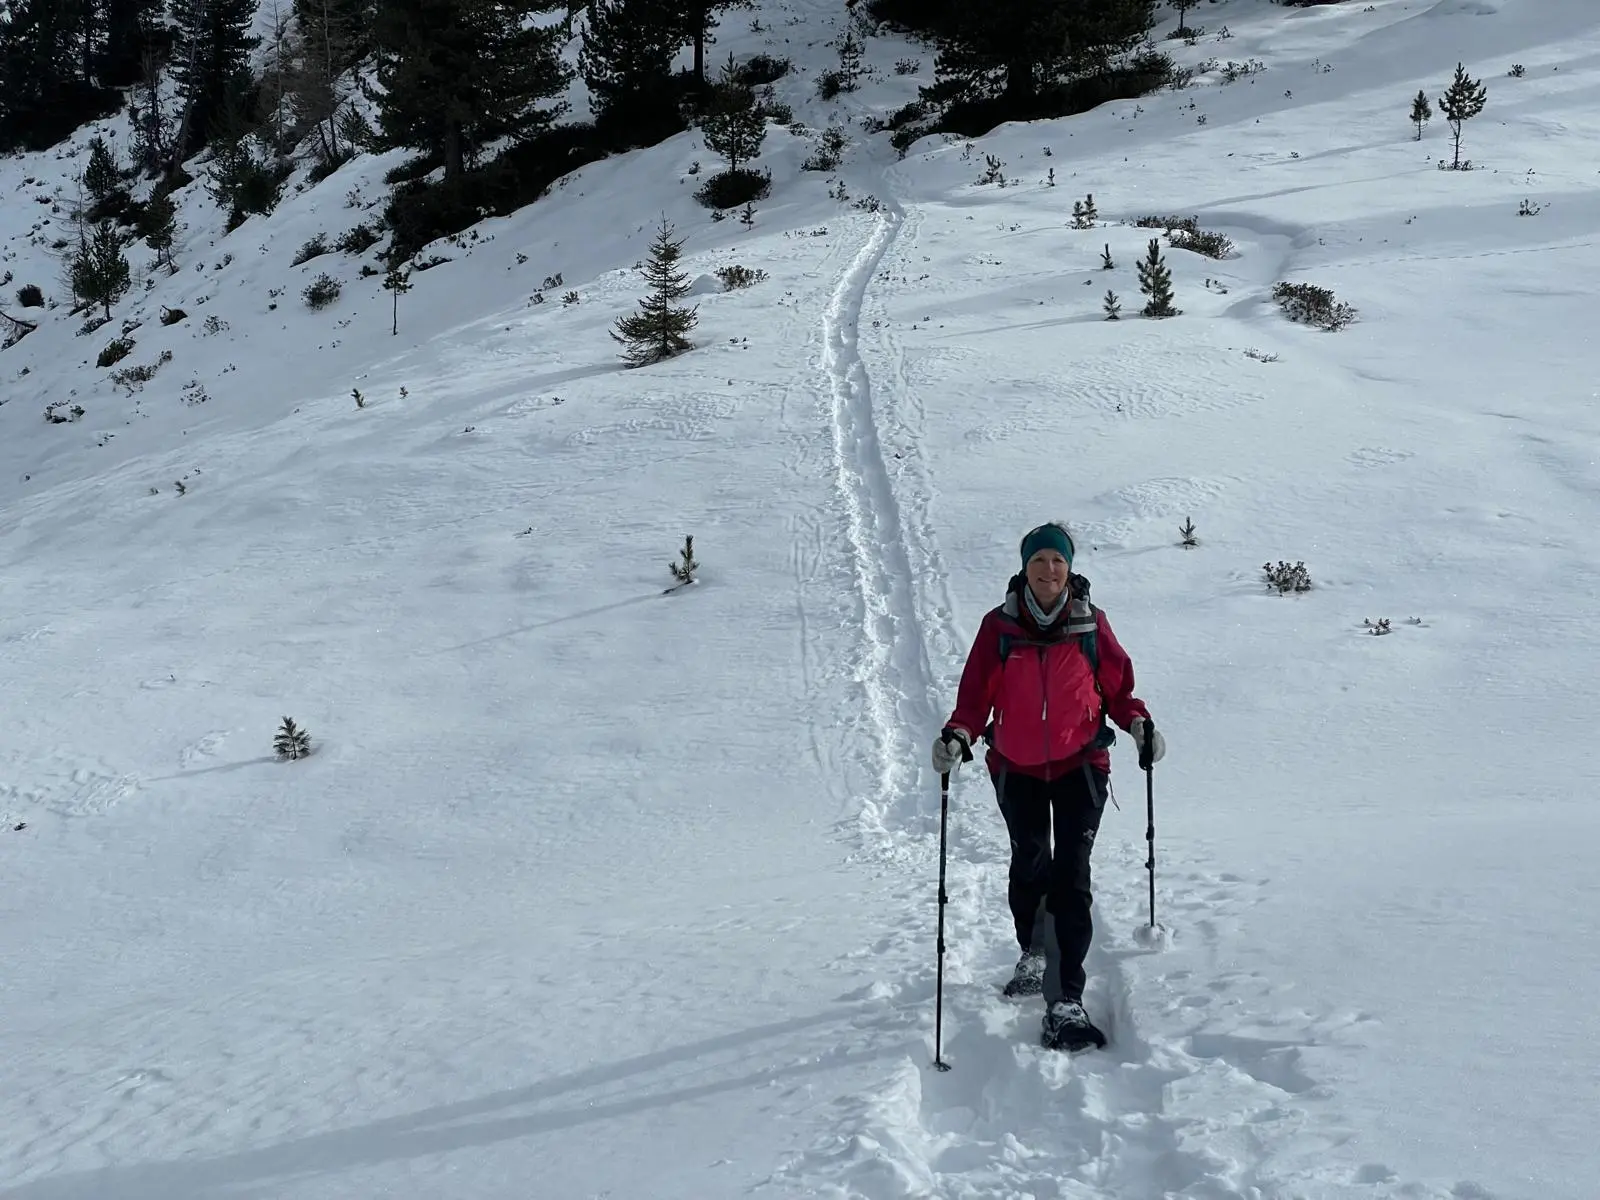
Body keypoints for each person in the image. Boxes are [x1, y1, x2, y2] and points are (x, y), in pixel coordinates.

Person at [931, 522, 1165, 1051]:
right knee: (1031, 859)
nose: (1049, 570)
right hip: (1016, 767)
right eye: (1040, 561)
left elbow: (1120, 690)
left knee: (1071, 875)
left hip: (1081, 764)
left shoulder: (1090, 625)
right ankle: (1033, 951)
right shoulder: (1000, 628)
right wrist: (958, 735)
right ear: (1024, 568)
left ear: (1069, 568)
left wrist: (1138, 725)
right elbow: (974, 700)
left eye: (1057, 561)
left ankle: (1066, 999)